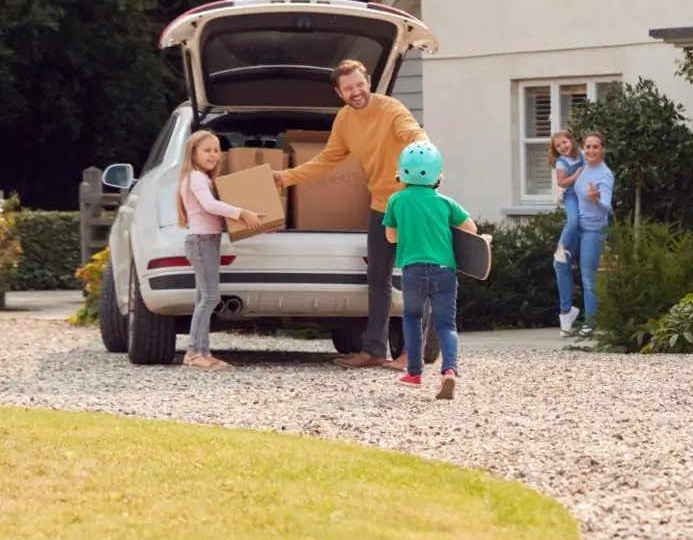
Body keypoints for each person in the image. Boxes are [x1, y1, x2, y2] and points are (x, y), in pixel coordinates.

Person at [273, 59, 428, 370]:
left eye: (359, 84)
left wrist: (428, 173)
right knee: (378, 280)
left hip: (411, 203)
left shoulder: (392, 109)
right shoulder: (344, 119)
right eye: (348, 88)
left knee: (415, 278)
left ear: (368, 81)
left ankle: (412, 354)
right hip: (381, 205)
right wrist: (286, 177)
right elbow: (329, 158)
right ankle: (373, 351)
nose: (356, 92)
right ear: (339, 92)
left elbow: (416, 136)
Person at [383, 142, 478, 400]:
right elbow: (472, 230)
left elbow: (391, 237)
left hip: (413, 271)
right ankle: (449, 371)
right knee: (446, 323)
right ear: (438, 174)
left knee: (413, 319)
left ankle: (414, 373)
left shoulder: (396, 201)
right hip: (444, 271)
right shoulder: (446, 203)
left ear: (402, 172)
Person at [176, 130, 264, 370]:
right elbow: (210, 205)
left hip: (207, 240)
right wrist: (242, 213)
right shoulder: (195, 177)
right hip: (202, 241)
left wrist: (255, 221)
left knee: (202, 298)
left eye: (216, 150)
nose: (213, 154)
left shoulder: (202, 178)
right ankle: (194, 352)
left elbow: (214, 212)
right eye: (207, 150)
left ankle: (203, 351)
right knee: (210, 298)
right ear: (193, 153)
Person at [554, 131, 614, 338]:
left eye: (595, 147)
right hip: (577, 227)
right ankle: (567, 312)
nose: (591, 151)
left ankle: (591, 323)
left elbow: (607, 208)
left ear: (602, 149)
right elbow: (566, 182)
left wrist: (596, 199)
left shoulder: (604, 174)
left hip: (593, 230)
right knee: (560, 264)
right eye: (588, 147)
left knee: (588, 278)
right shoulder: (583, 166)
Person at [549, 130, 584, 265]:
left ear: (571, 141)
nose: (563, 146)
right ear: (556, 150)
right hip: (571, 195)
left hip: (584, 194)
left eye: (564, 142)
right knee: (573, 221)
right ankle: (561, 248)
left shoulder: (581, 155)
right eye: (558, 146)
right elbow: (562, 182)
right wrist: (575, 175)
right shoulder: (561, 163)